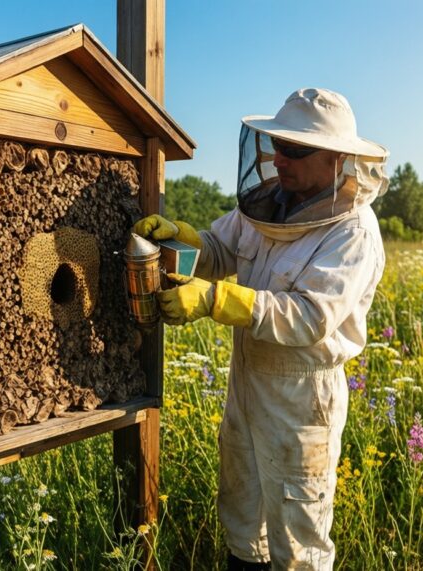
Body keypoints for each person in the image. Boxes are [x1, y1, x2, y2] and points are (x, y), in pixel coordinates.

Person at [133, 88, 388, 570]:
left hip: (301, 399)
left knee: (298, 541)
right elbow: (221, 249)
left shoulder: (352, 232)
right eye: (276, 146)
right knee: (243, 519)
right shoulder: (269, 203)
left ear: (335, 159)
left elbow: (311, 317)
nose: (278, 159)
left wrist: (214, 298)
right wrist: (186, 241)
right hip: (247, 383)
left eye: (293, 150)